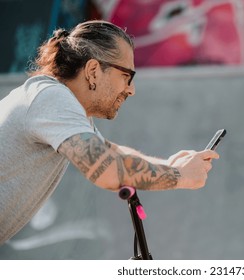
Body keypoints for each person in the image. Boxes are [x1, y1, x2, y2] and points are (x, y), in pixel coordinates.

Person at [0, 20, 219, 244]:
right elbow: (107, 169)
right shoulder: (51, 97)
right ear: (93, 71)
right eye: (127, 76)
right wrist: (180, 176)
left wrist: (170, 166)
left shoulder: (62, 105)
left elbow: (112, 153)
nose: (131, 90)